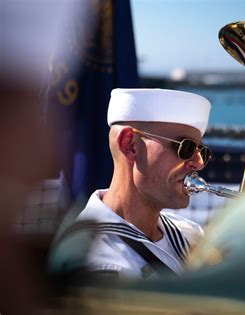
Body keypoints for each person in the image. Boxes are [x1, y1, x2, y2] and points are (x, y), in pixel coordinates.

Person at [49, 88, 212, 280]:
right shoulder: (93, 263)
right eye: (186, 147)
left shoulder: (190, 233)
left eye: (202, 150)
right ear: (130, 145)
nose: (199, 163)